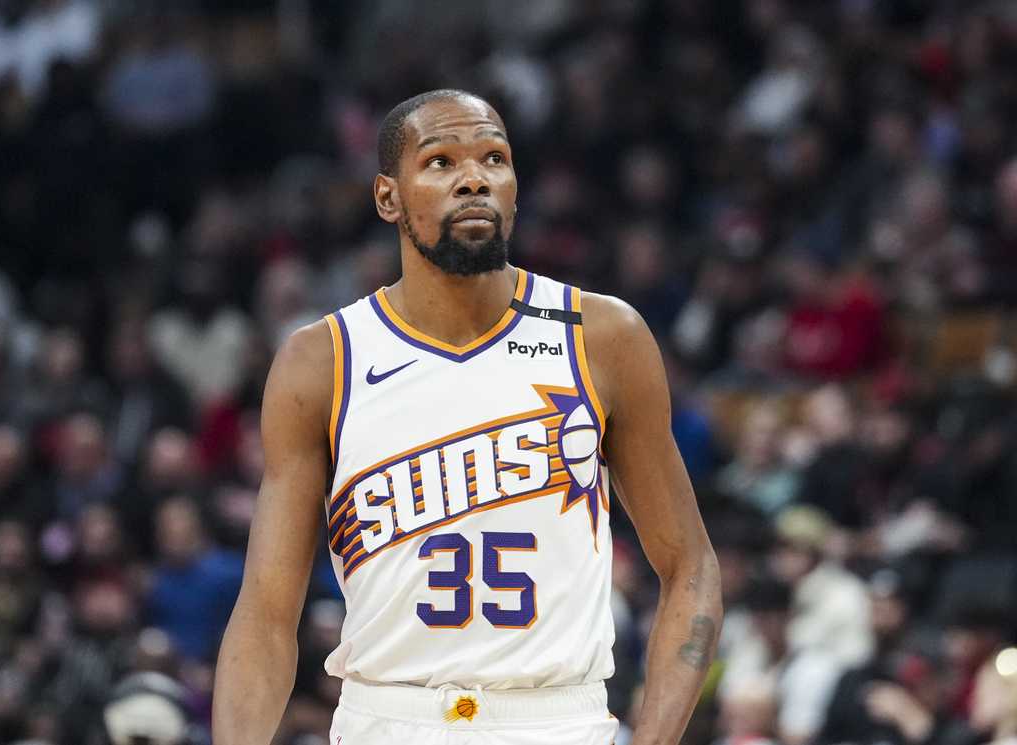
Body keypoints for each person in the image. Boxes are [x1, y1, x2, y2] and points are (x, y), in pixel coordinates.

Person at [213, 89, 722, 745]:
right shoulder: (321, 361)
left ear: (514, 188)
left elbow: (692, 566)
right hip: (386, 717)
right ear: (387, 198)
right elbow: (266, 612)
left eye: (494, 158)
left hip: (556, 717)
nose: (474, 177)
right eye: (441, 162)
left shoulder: (601, 336)